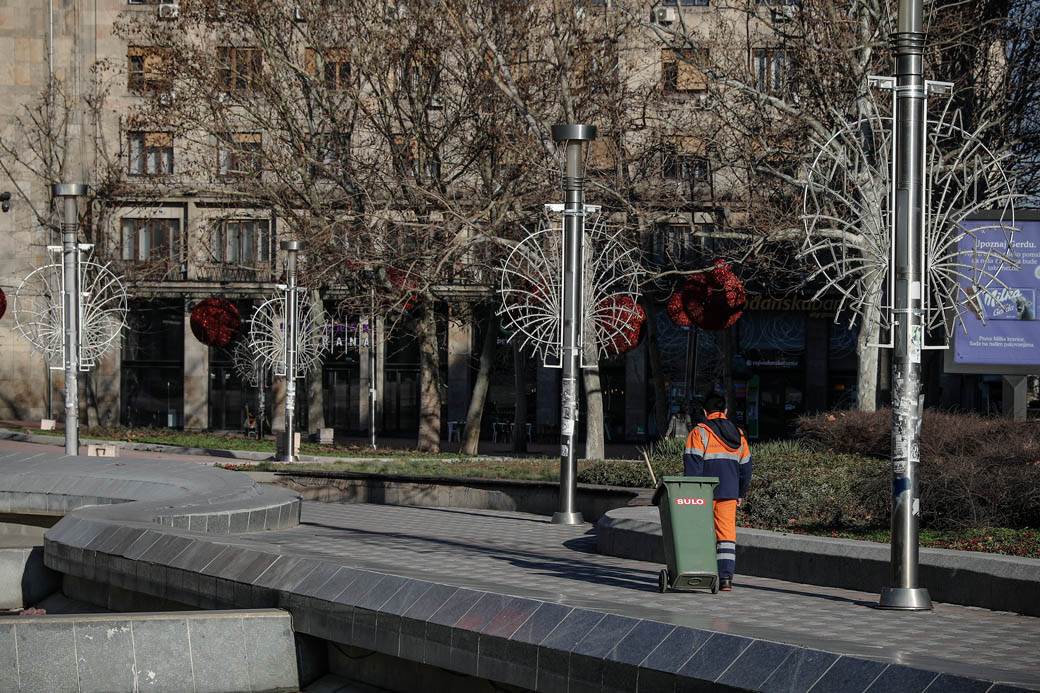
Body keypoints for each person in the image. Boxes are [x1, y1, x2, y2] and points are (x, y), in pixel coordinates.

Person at [682, 393, 752, 591]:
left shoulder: (699, 432)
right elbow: (746, 468)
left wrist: (691, 494)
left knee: (700, 532)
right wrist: (741, 492)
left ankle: (697, 575)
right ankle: (726, 579)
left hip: (703, 493)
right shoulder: (739, 435)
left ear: (705, 412)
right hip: (729, 492)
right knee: (726, 536)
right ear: (726, 411)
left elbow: (692, 466)